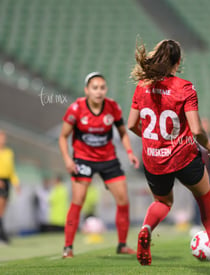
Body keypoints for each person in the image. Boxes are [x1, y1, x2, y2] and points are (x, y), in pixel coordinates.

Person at [128, 39, 210, 265]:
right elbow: (197, 130)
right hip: (183, 156)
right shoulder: (185, 88)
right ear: (177, 63)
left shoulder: (142, 86)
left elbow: (131, 125)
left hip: (154, 160)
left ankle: (146, 229)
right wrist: (209, 147)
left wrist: (153, 140)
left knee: (162, 202)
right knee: (205, 198)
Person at [59, 72, 140, 258]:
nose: (99, 91)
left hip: (108, 159)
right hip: (83, 159)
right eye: (94, 88)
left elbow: (123, 133)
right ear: (87, 90)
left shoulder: (112, 107)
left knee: (123, 200)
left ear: (106, 90)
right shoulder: (76, 108)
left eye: (102, 87)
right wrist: (67, 159)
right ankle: (68, 248)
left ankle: (121, 245)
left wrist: (129, 153)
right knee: (78, 201)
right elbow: (63, 137)